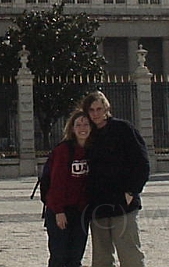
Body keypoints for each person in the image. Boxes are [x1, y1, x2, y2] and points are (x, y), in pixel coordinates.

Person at [81, 91, 150, 267]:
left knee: (130, 254)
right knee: (101, 258)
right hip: (97, 205)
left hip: (122, 203)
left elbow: (141, 162)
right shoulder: (87, 135)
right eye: (92, 110)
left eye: (99, 108)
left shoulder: (123, 129)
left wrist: (132, 191)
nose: (96, 113)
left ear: (106, 108)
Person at [44, 109, 92, 267]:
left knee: (75, 257)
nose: (82, 128)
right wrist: (58, 211)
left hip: (81, 212)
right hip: (61, 211)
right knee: (59, 257)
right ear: (72, 128)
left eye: (86, 124)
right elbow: (56, 183)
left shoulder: (93, 151)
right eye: (78, 124)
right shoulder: (63, 151)